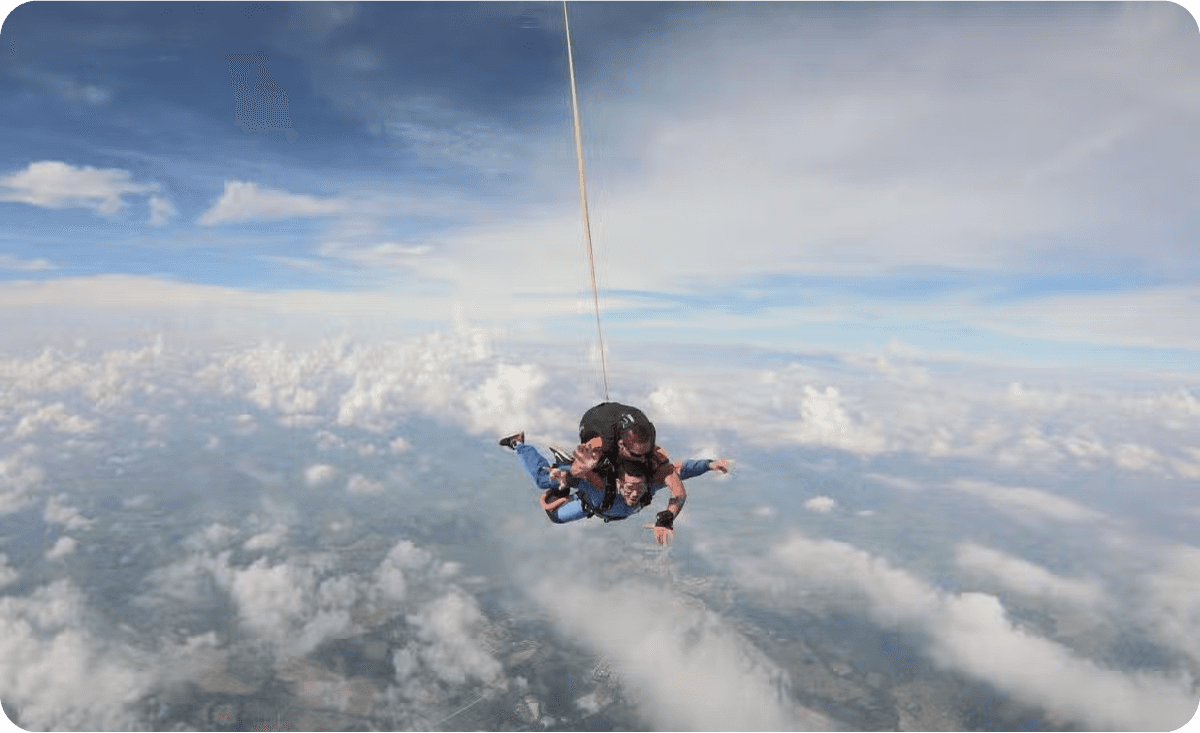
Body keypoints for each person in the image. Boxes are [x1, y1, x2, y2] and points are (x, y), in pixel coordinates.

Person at [499, 432, 729, 545]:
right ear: (619, 483)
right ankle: (519, 443)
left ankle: (565, 482)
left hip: (594, 504)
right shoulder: (600, 485)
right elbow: (580, 478)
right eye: (629, 489)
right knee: (544, 483)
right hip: (588, 484)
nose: (634, 494)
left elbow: (680, 471)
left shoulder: (648, 485)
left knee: (555, 516)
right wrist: (564, 477)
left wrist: (709, 465)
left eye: (638, 489)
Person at [569, 403, 689, 535]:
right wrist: (585, 470)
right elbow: (574, 470)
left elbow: (679, 493)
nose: (642, 459)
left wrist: (669, 515)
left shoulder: (650, 453)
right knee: (602, 469)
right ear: (621, 446)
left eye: (645, 453)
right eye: (636, 455)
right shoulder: (601, 444)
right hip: (594, 420)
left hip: (623, 424)